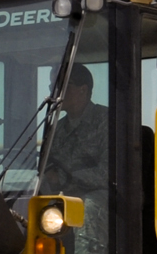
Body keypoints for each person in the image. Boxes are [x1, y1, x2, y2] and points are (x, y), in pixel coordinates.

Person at [40, 62, 109, 197]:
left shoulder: (108, 121)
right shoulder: (57, 128)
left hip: (102, 197)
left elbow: (109, 174)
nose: (54, 92)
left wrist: (63, 178)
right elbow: (47, 167)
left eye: (60, 86)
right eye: (52, 86)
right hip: (63, 195)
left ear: (83, 90)